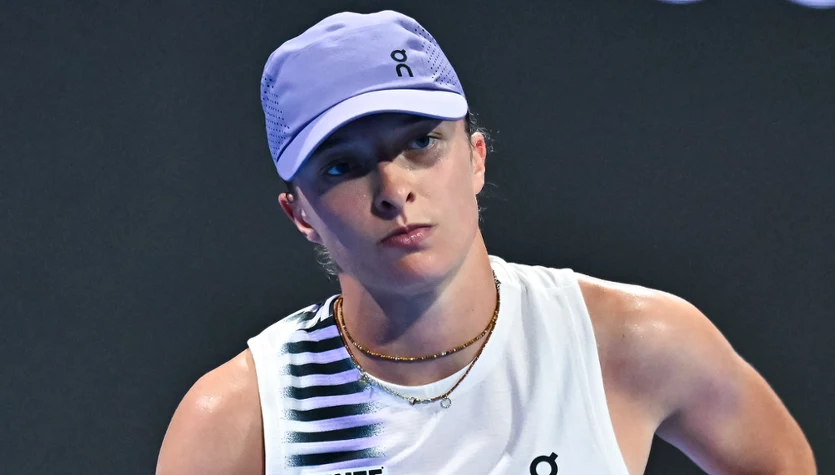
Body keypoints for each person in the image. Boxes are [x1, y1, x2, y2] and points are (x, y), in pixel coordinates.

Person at [156, 10, 816, 475]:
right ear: (299, 212)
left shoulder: (630, 341)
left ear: (474, 158)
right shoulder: (239, 420)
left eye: (420, 143)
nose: (394, 190)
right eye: (343, 165)